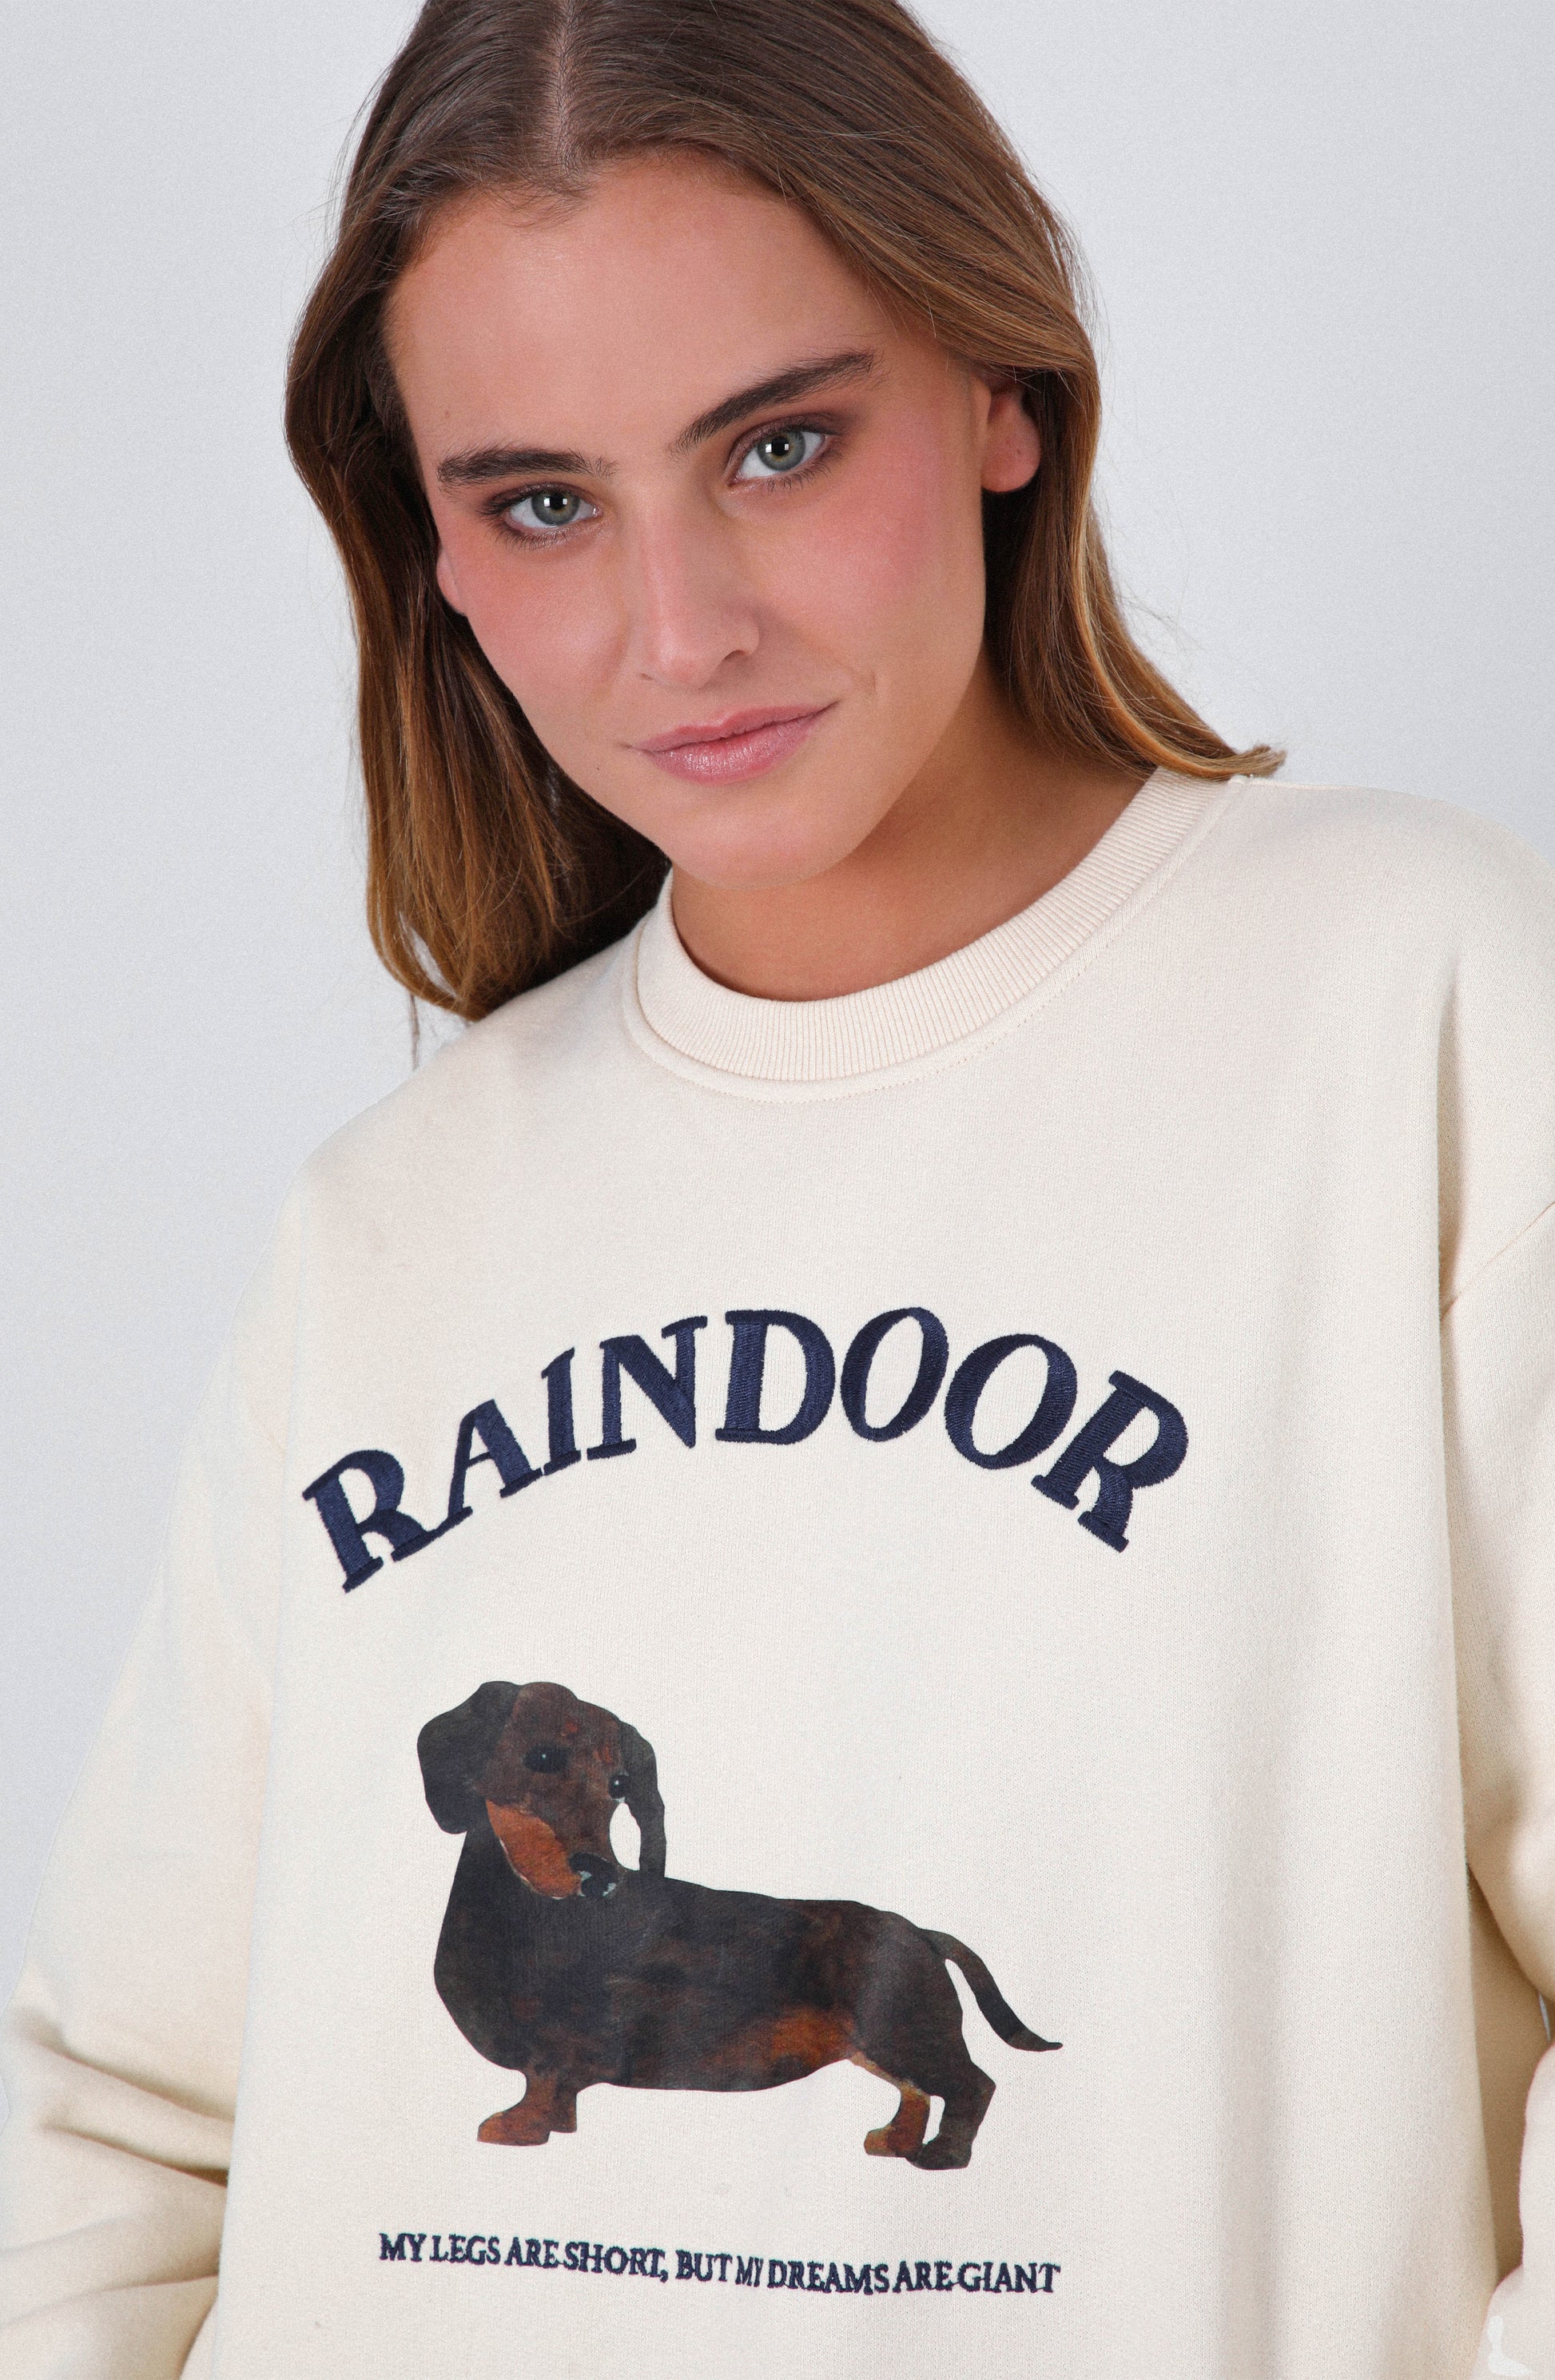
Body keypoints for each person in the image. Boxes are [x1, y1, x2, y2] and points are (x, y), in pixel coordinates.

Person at [1, 0, 1551, 2373]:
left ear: (1003, 388)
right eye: (544, 503)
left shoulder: (1416, 1005)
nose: (682, 628)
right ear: (431, 548)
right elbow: (120, 2132)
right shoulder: (386, 1220)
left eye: (780, 444)